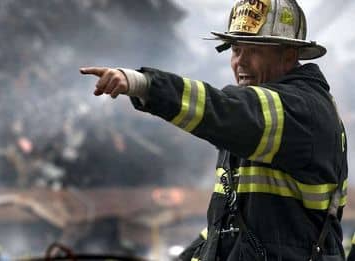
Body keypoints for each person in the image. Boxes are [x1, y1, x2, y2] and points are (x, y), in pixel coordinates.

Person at [80, 0, 347, 260]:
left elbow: (223, 109)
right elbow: (226, 229)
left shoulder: (301, 110)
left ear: (288, 55)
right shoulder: (255, 125)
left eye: (253, 50)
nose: (240, 62)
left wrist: (144, 84)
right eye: (235, 49)